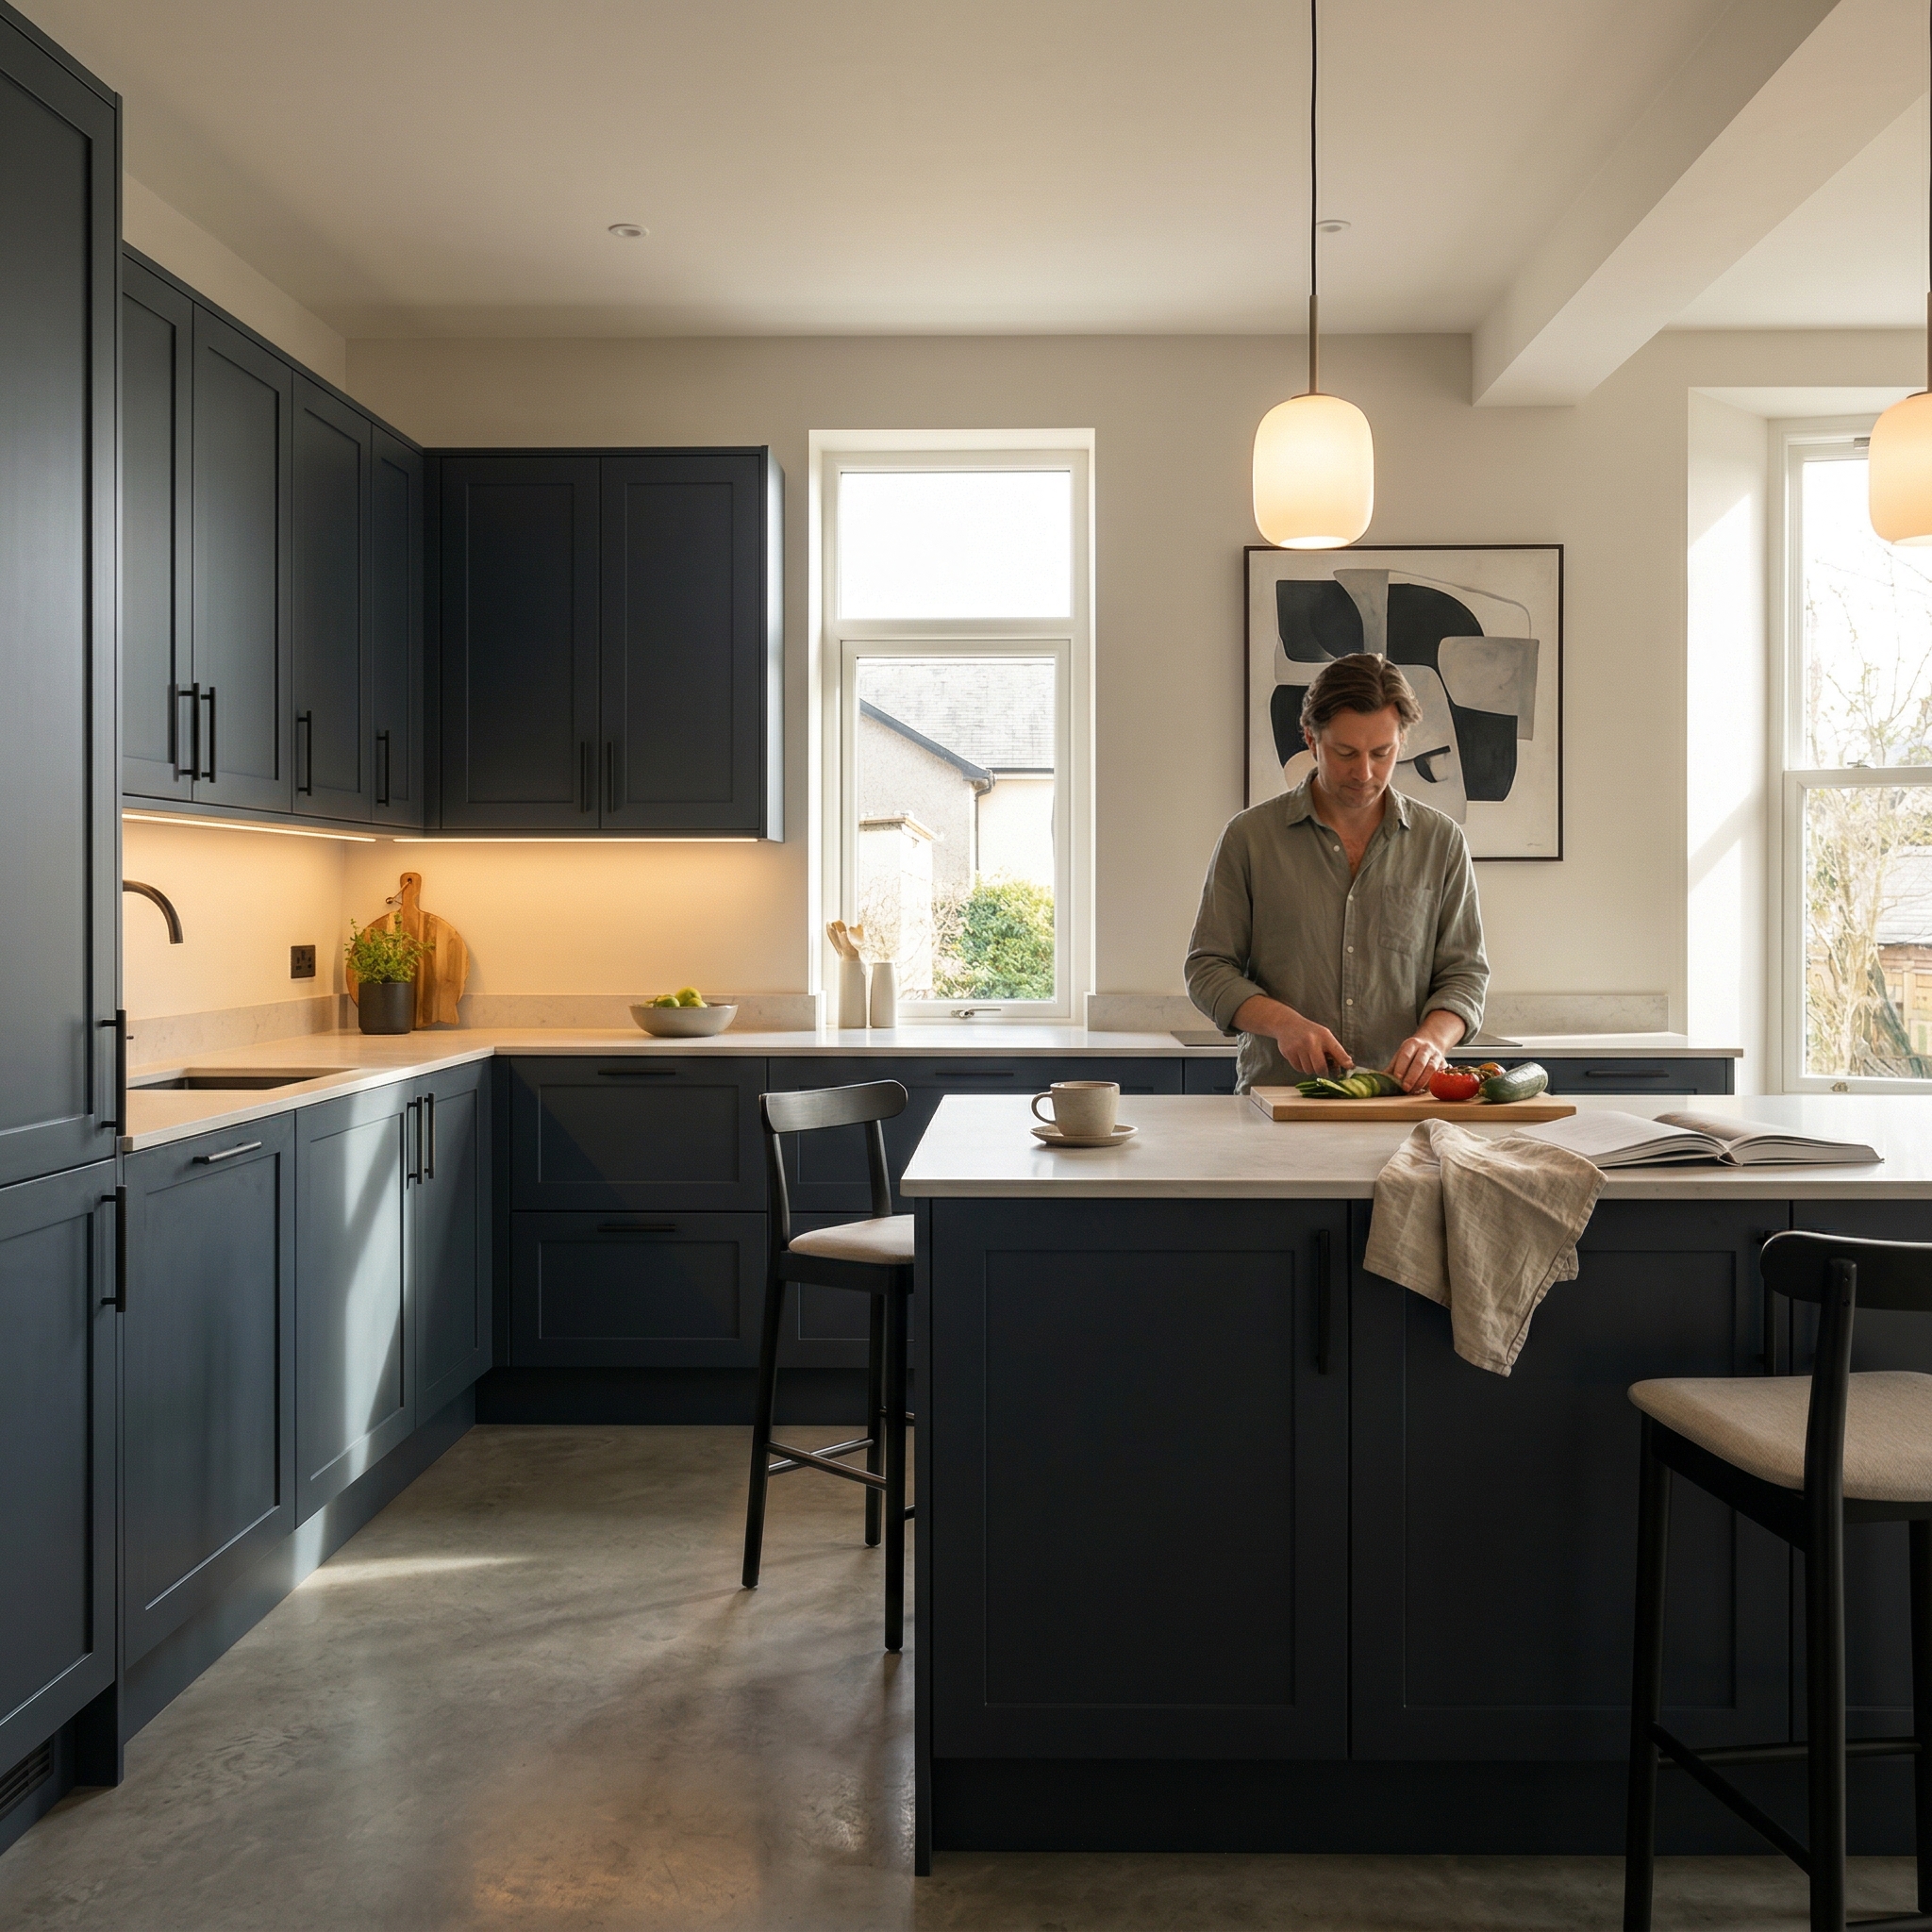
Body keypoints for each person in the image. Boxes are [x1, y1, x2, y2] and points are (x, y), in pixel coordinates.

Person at [1185, 652, 1489, 1094]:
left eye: (1381, 753)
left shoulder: (1440, 842)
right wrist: (1284, 1024)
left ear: (1402, 742)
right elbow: (1207, 968)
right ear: (1310, 739)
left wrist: (1431, 1040)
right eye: (1345, 752)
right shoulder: (1250, 837)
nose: (1364, 773)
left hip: (1401, 1105)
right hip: (1280, 1102)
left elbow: (1465, 975)